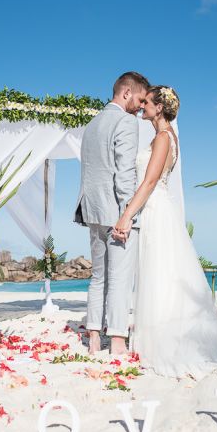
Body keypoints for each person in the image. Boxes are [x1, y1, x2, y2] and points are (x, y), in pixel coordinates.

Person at [112, 85, 217, 377]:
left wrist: (125, 216)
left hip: (156, 209)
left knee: (160, 274)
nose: (143, 106)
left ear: (159, 108)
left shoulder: (162, 138)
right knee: (163, 274)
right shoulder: (167, 137)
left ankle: (166, 344)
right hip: (157, 208)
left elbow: (148, 183)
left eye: (146, 102)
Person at [74, 71, 149, 355]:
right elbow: (124, 173)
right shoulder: (126, 122)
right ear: (126, 92)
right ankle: (117, 340)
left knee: (98, 276)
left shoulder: (92, 124)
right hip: (115, 212)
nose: (141, 106)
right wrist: (126, 215)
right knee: (119, 278)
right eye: (140, 99)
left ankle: (94, 336)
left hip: (91, 210)